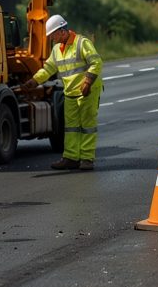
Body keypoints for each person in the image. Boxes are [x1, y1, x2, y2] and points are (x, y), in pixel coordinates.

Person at [22, 14, 102, 170]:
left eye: (53, 35)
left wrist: (87, 82)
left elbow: (96, 63)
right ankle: (71, 158)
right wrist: (34, 81)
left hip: (88, 91)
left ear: (62, 31)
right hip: (71, 92)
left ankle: (87, 159)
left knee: (87, 125)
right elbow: (49, 69)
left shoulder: (81, 43)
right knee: (71, 127)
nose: (51, 38)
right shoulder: (57, 49)